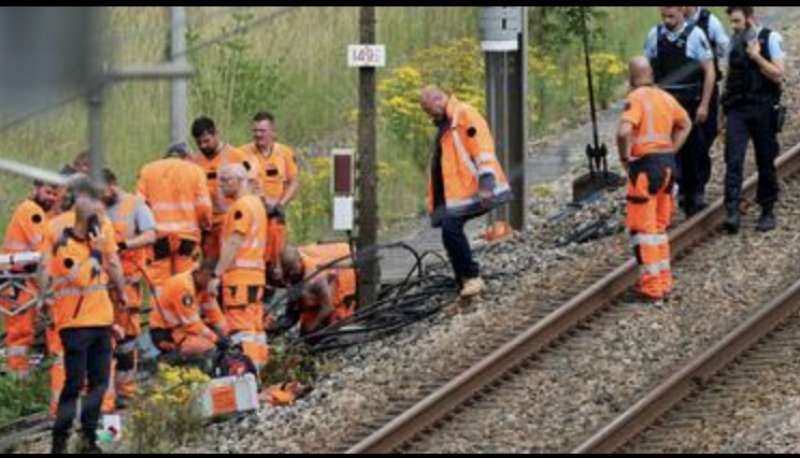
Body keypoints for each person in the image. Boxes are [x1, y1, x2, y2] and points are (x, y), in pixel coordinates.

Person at [47, 178, 129, 454]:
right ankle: (59, 441)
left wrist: (117, 311)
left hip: (101, 322)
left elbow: (105, 275)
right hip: (76, 326)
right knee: (74, 383)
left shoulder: (98, 243)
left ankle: (90, 438)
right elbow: (83, 278)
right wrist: (97, 249)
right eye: (95, 220)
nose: (100, 225)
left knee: (100, 383)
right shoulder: (64, 247)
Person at [418, 85, 512, 297]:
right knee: (449, 234)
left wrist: (487, 181)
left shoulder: (464, 114)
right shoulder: (447, 122)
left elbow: (482, 146)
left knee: (451, 230)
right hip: (458, 194)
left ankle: (471, 278)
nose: (428, 115)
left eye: (428, 109)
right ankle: (464, 282)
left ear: (438, 99)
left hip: (475, 189)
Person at [617, 56, 692, 302]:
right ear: (650, 74)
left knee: (644, 231)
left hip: (644, 169)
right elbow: (685, 124)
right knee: (659, 229)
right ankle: (663, 281)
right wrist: (671, 148)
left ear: (631, 78)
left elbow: (624, 131)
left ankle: (651, 288)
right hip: (668, 167)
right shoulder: (665, 97)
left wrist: (625, 157)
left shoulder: (635, 98)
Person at [645, 6, 715, 216]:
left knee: (694, 150)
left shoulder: (695, 35)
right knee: (668, 153)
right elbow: (647, 69)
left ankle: (695, 194)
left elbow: (709, 72)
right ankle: (677, 193)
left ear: (681, 12)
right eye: (664, 16)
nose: (667, 20)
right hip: (664, 104)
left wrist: (704, 104)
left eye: (671, 16)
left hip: (689, 104)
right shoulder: (654, 35)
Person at [137, 143, 213, 338]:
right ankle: (187, 331)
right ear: (187, 156)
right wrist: (206, 226)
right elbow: (204, 208)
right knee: (186, 285)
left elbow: (139, 206)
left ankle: (160, 332)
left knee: (160, 287)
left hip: (158, 239)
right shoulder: (195, 171)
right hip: (187, 239)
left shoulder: (148, 170)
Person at [721, 6, 785, 233]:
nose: (734, 26)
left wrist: (756, 56)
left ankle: (767, 210)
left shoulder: (770, 38)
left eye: (737, 21)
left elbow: (778, 74)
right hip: (738, 108)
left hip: (763, 107)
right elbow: (730, 75)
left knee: (765, 159)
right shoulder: (734, 41)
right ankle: (732, 210)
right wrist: (723, 111)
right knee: (733, 159)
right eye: (731, 22)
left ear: (750, 19)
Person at [101, 168, 156, 403]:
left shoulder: (135, 205)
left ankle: (125, 390)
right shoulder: (98, 209)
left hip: (128, 283)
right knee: (105, 336)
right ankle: (107, 391)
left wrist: (125, 245)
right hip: (103, 285)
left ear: (112, 184)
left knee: (127, 339)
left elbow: (151, 235)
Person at [209, 163, 269, 370]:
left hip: (239, 279)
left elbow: (234, 242)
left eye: (226, 180)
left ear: (240, 180)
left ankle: (245, 376)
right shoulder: (256, 204)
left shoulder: (241, 207)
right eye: (220, 180)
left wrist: (217, 274)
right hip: (255, 276)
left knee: (241, 329)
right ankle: (259, 370)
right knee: (255, 329)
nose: (221, 185)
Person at [1, 180, 57, 378]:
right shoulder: (32, 211)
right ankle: (19, 380)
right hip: (17, 280)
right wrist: (47, 293)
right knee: (20, 333)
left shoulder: (38, 213)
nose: (51, 197)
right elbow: (42, 255)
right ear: (35, 189)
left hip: (21, 279)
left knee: (24, 333)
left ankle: (23, 379)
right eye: (48, 192)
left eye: (54, 194)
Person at [190, 116, 251, 263]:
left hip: (230, 221)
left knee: (230, 262)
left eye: (206, 141)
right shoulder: (194, 161)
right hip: (207, 226)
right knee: (210, 265)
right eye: (199, 143)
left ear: (216, 134)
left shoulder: (236, 156)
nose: (203, 146)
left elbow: (251, 186)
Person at [684, 6, 730, 191]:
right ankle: (691, 186)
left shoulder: (710, 21)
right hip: (684, 90)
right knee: (687, 139)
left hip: (706, 87)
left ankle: (698, 177)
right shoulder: (673, 23)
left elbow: (725, 47)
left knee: (708, 133)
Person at [150, 259, 228, 362]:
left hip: (182, 329)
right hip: (166, 333)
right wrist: (217, 339)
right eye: (213, 277)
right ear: (202, 272)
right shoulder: (184, 287)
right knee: (208, 347)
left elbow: (215, 315)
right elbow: (192, 324)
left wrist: (227, 335)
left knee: (217, 341)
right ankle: (167, 361)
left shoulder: (204, 286)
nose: (216, 282)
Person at [276, 243, 356, 336]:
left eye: (293, 268)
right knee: (305, 334)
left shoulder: (316, 278)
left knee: (325, 336)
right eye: (287, 270)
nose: (291, 273)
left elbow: (328, 307)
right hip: (313, 308)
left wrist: (313, 325)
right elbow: (294, 304)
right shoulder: (290, 275)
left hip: (332, 308)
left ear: (299, 261)